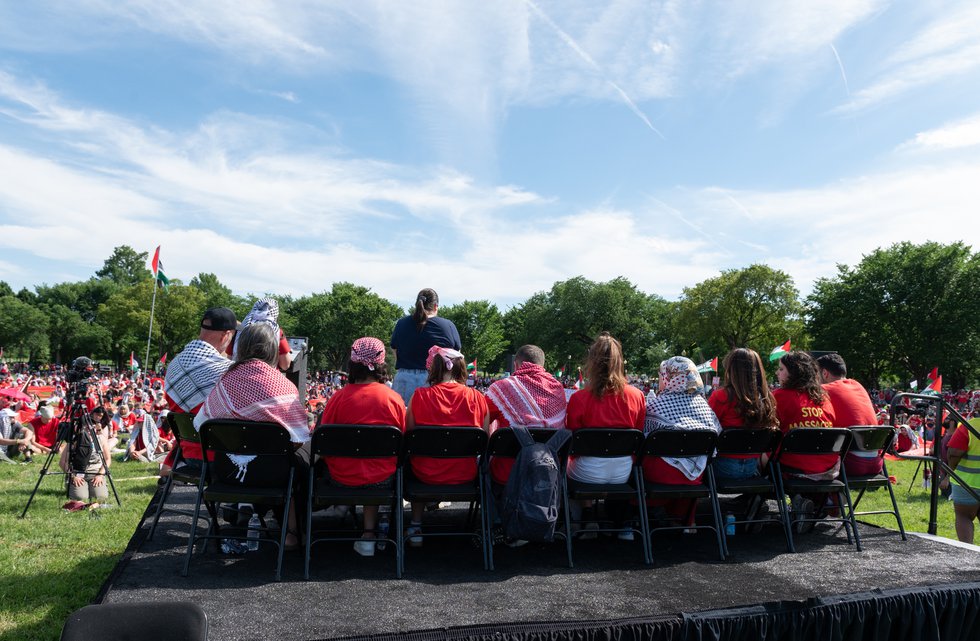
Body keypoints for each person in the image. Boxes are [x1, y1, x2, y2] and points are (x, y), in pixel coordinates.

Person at [195, 323, 310, 550]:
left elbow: (201, 425)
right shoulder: (284, 386)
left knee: (284, 459)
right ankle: (293, 533)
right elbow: (298, 437)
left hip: (227, 472)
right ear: (272, 350)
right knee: (302, 457)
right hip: (272, 474)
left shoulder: (225, 381)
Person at [317, 337, 406, 557]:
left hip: (341, 478)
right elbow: (403, 441)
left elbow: (323, 440)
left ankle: (344, 509)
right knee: (375, 465)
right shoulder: (393, 399)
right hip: (381, 479)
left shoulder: (337, 398)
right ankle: (368, 534)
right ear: (382, 363)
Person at [404, 345, 489, 547]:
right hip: (465, 474)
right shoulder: (478, 398)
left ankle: (416, 524)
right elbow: (484, 439)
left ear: (434, 367)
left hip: (425, 474)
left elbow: (410, 437)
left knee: (411, 459)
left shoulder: (420, 396)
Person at [565, 334, 645, 537]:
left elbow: (573, 439)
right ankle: (620, 524)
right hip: (623, 471)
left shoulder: (579, 397)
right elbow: (639, 433)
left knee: (564, 467)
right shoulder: (637, 396)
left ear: (591, 362)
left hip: (587, 471)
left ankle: (586, 515)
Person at [644, 356, 722, 531]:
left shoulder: (656, 405)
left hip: (658, 477)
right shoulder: (705, 407)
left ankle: (636, 517)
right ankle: (686, 520)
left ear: (668, 377)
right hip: (695, 478)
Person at [161, 307, 238, 477]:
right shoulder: (226, 371)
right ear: (226, 335)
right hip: (222, 459)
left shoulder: (174, 365)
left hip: (187, 456)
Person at [772, 351, 838, 532]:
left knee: (762, 453)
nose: (778, 373)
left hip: (794, 467)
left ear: (794, 372)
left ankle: (755, 508)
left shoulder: (779, 396)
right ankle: (807, 504)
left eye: (781, 369)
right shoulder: (824, 398)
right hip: (827, 468)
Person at [485, 344, 567, 486]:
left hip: (508, 473)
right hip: (549, 472)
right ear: (542, 365)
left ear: (516, 365)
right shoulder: (558, 390)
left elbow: (483, 421)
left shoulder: (501, 389)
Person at [708, 348, 779, 480]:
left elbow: (707, 431)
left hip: (721, 468)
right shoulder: (767, 398)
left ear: (731, 370)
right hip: (752, 468)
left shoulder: (721, 396)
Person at [390, 288, 462, 406]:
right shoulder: (447, 326)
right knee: (432, 423)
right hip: (436, 382)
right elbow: (457, 356)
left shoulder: (401, 324)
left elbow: (395, 350)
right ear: (435, 306)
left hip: (403, 380)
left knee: (401, 422)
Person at [817, 353, 882, 476]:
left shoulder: (824, 390)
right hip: (875, 463)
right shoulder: (859, 386)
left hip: (849, 464)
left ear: (825, 373)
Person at [59, 407, 111, 504]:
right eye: (86, 428)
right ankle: (72, 485)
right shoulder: (74, 441)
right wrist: (73, 476)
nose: (89, 430)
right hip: (78, 472)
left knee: (100, 496)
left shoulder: (101, 439)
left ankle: (98, 485)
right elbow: (62, 462)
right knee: (80, 497)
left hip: (95, 472)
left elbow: (107, 459)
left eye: (91, 427)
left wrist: (100, 474)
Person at [941, 417, 980, 544]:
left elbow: (954, 452)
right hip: (968, 483)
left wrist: (949, 473)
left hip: (967, 482)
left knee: (964, 516)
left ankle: (967, 551)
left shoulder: (969, 426)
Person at [234, 297, 293, 371]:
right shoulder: (276, 332)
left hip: (239, 375)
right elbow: (285, 365)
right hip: (268, 378)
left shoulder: (240, 330)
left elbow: (230, 358)